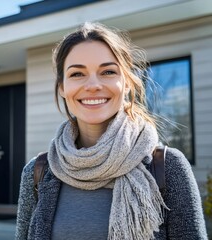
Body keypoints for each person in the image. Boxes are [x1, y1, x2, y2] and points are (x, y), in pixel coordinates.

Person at [15, 22, 208, 240]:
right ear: (62, 87)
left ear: (126, 83)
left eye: (107, 71)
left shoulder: (168, 167)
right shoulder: (38, 172)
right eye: (77, 74)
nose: (93, 85)